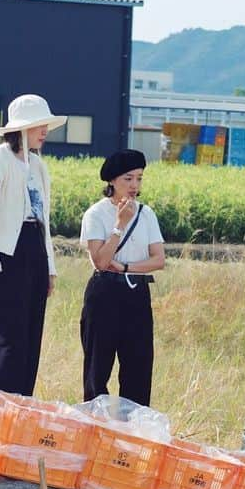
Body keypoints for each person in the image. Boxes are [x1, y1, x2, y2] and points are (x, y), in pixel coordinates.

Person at [0, 94, 62, 397]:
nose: (44, 131)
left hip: (34, 248)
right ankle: (0, 406)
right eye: (39, 125)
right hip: (7, 253)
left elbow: (44, 220)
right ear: (21, 128)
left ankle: (23, 406)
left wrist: (49, 267)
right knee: (7, 336)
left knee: (30, 334)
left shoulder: (38, 165)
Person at [79, 150, 165, 406]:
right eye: (128, 179)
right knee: (98, 367)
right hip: (104, 293)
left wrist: (127, 266)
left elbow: (158, 259)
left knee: (138, 368)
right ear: (113, 181)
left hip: (137, 293)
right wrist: (119, 225)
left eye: (139, 179)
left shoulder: (147, 214)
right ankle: (95, 425)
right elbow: (101, 261)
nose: (134, 186)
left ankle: (132, 431)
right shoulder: (95, 214)